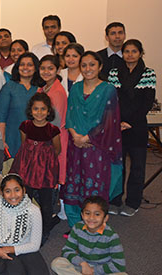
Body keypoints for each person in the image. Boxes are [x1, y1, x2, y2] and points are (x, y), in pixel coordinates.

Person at [62, 51, 122, 229]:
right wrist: (75, 136)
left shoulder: (108, 89)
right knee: (74, 182)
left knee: (95, 184)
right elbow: (70, 115)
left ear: (100, 67)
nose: (88, 69)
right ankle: (76, 227)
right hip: (76, 146)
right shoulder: (75, 88)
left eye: (92, 65)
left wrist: (87, 137)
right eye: (84, 65)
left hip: (97, 147)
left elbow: (109, 121)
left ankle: (94, 227)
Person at [108, 39, 156, 217]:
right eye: (126, 51)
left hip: (137, 127)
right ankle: (115, 200)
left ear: (140, 53)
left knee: (137, 167)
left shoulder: (149, 73)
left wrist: (130, 122)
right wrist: (119, 121)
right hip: (117, 126)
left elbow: (147, 102)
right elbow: (112, 99)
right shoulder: (114, 72)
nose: (129, 54)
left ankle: (133, 202)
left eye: (134, 51)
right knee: (118, 167)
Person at [10, 93, 61, 243]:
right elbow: (25, 146)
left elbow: (57, 149)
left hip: (45, 172)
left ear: (49, 111)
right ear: (30, 110)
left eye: (43, 109)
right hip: (26, 169)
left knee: (46, 204)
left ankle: (44, 230)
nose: (39, 112)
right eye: (36, 109)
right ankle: (22, 228)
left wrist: (45, 161)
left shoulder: (53, 130)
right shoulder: (25, 126)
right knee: (25, 200)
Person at [0, 174, 50, 274]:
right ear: (1, 192)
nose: (13, 195)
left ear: (24, 190)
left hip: (26, 248)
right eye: (7, 191)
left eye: (17, 190)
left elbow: (35, 245)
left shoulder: (34, 210)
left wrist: (11, 249)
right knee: (14, 271)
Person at [51, 196, 127, 275]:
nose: (91, 218)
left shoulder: (111, 236)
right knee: (57, 263)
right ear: (82, 215)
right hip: (82, 267)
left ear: (105, 218)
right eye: (87, 213)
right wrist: (83, 264)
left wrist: (93, 270)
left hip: (102, 270)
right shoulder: (77, 228)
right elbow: (66, 251)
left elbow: (119, 265)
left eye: (97, 214)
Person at [0, 52, 40, 158]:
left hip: (36, 138)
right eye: (22, 64)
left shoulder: (40, 88)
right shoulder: (9, 87)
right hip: (12, 137)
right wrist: (2, 140)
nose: (25, 67)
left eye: (29, 65)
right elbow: (1, 117)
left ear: (35, 68)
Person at [37, 55, 69, 187]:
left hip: (53, 140)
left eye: (50, 68)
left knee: (53, 178)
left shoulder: (56, 92)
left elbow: (55, 123)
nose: (46, 71)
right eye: (43, 68)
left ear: (58, 70)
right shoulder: (44, 88)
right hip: (45, 138)